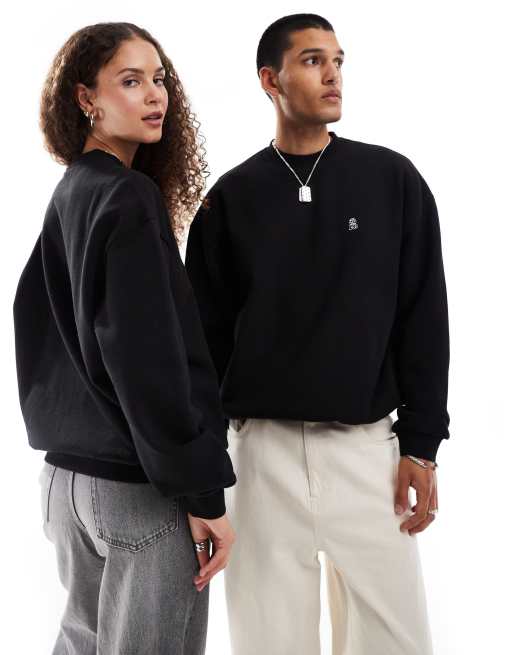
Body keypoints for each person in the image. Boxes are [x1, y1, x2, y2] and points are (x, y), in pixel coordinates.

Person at [184, 13, 449, 655]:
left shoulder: (392, 181)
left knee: (398, 642)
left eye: (337, 60)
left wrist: (421, 447)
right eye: (311, 60)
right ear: (269, 80)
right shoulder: (229, 200)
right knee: (268, 643)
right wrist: (203, 479)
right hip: (260, 459)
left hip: (368, 453)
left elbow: (424, 318)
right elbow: (201, 353)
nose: (332, 74)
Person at [12, 22, 236, 655]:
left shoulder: (72, 191)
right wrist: (202, 491)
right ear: (87, 98)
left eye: (158, 80)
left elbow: (36, 325)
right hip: (137, 490)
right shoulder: (128, 195)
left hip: (65, 486)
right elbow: (148, 360)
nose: (155, 95)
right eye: (131, 81)